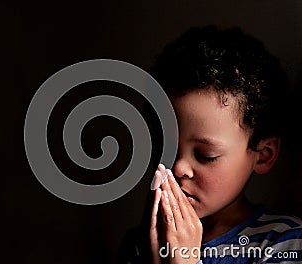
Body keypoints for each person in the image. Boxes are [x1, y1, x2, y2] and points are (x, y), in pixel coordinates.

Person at [118, 25, 302, 264]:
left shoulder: (283, 243)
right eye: (166, 148)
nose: (178, 167)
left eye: (206, 155)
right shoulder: (141, 243)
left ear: (263, 155)